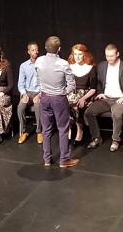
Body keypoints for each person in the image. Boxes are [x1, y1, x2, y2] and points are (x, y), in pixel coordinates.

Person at [35, 35, 78, 168]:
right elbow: (71, 85)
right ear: (59, 49)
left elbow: (37, 80)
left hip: (45, 98)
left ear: (45, 47)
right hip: (58, 99)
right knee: (63, 129)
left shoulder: (39, 61)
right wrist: (63, 91)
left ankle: (47, 159)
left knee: (46, 129)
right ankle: (64, 159)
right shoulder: (64, 64)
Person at [84, 43, 123, 152]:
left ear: (117, 54)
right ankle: (96, 138)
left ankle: (115, 140)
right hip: (106, 98)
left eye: (111, 56)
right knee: (89, 112)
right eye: (107, 56)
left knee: (116, 114)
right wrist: (100, 92)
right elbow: (99, 83)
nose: (109, 58)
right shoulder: (102, 65)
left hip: (120, 99)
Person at [66, 43, 97, 145]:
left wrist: (83, 98)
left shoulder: (90, 68)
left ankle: (80, 131)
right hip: (71, 92)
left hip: (85, 94)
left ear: (84, 54)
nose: (77, 57)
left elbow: (93, 89)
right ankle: (69, 129)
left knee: (77, 105)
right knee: (65, 103)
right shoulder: (69, 67)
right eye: (75, 54)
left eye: (80, 54)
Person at [17, 41, 42, 144]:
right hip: (28, 92)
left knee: (38, 106)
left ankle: (39, 131)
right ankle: (24, 132)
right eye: (33, 50)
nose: (35, 52)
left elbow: (46, 83)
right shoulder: (24, 66)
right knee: (20, 107)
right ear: (28, 52)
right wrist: (24, 94)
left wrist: (40, 94)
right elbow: (20, 84)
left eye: (36, 49)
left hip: (39, 92)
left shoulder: (42, 64)